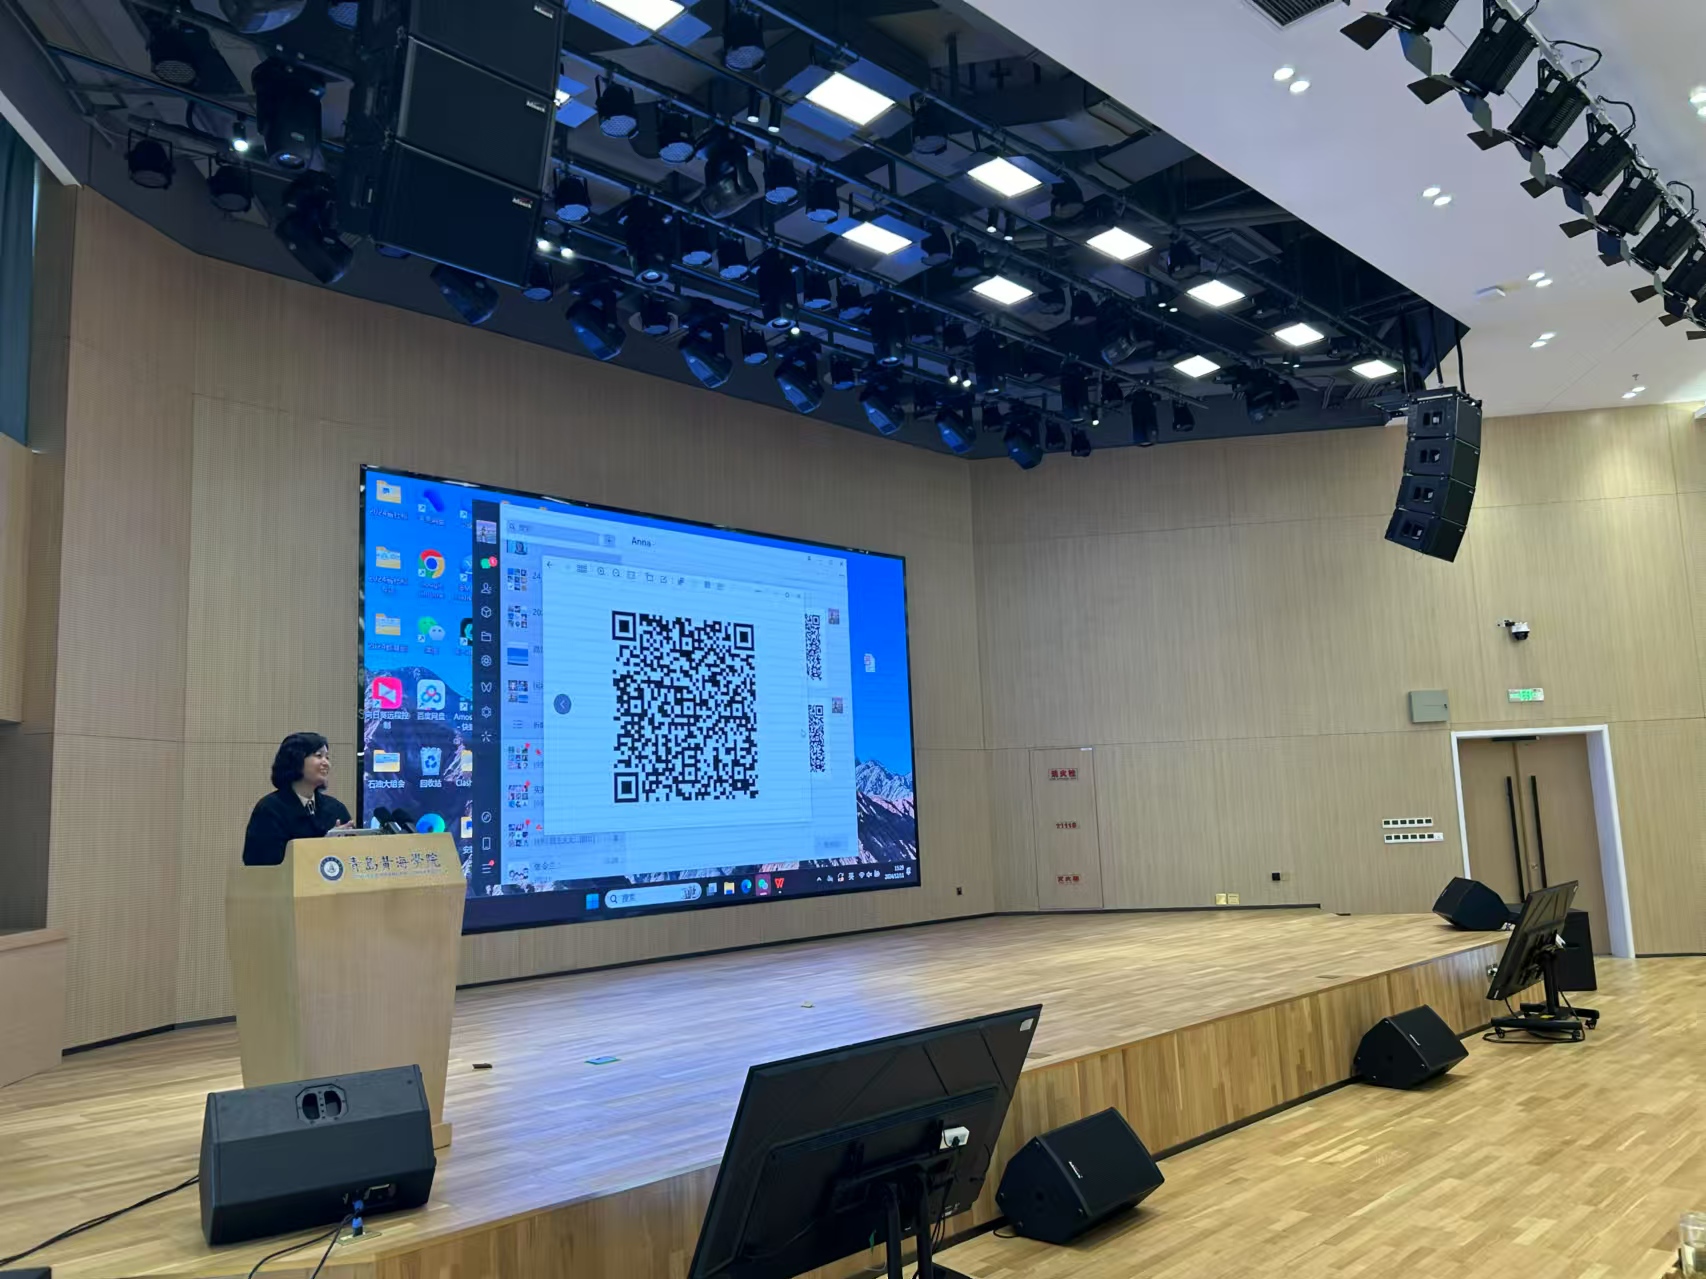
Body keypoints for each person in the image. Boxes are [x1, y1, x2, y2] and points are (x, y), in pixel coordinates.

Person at [242, 732, 353, 865]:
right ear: (296, 760)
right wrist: (324, 846)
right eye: (319, 756)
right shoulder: (270, 809)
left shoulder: (336, 808)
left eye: (327, 757)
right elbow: (261, 862)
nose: (326, 763)